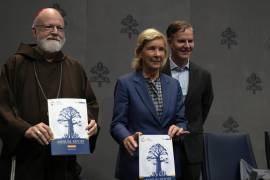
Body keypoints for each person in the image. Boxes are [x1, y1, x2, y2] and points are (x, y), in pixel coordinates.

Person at [0, 8, 99, 180]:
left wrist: (91, 124)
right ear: (34, 31)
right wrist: (25, 129)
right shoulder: (16, 64)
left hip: (63, 163)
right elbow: (3, 105)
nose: (55, 32)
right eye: (48, 27)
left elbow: (90, 104)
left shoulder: (74, 67)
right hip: (26, 160)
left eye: (60, 28)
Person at [110, 28, 189, 180]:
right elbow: (117, 124)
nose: (157, 54)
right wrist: (126, 137)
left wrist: (179, 128)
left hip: (167, 166)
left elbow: (182, 120)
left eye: (161, 49)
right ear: (140, 52)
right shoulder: (125, 84)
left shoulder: (173, 85)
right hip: (135, 164)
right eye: (152, 49)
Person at [162, 20, 214, 180]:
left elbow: (204, 107)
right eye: (181, 41)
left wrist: (191, 126)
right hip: (162, 144)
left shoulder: (203, 75)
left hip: (192, 149)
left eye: (190, 41)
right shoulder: (157, 71)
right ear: (170, 42)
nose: (187, 45)